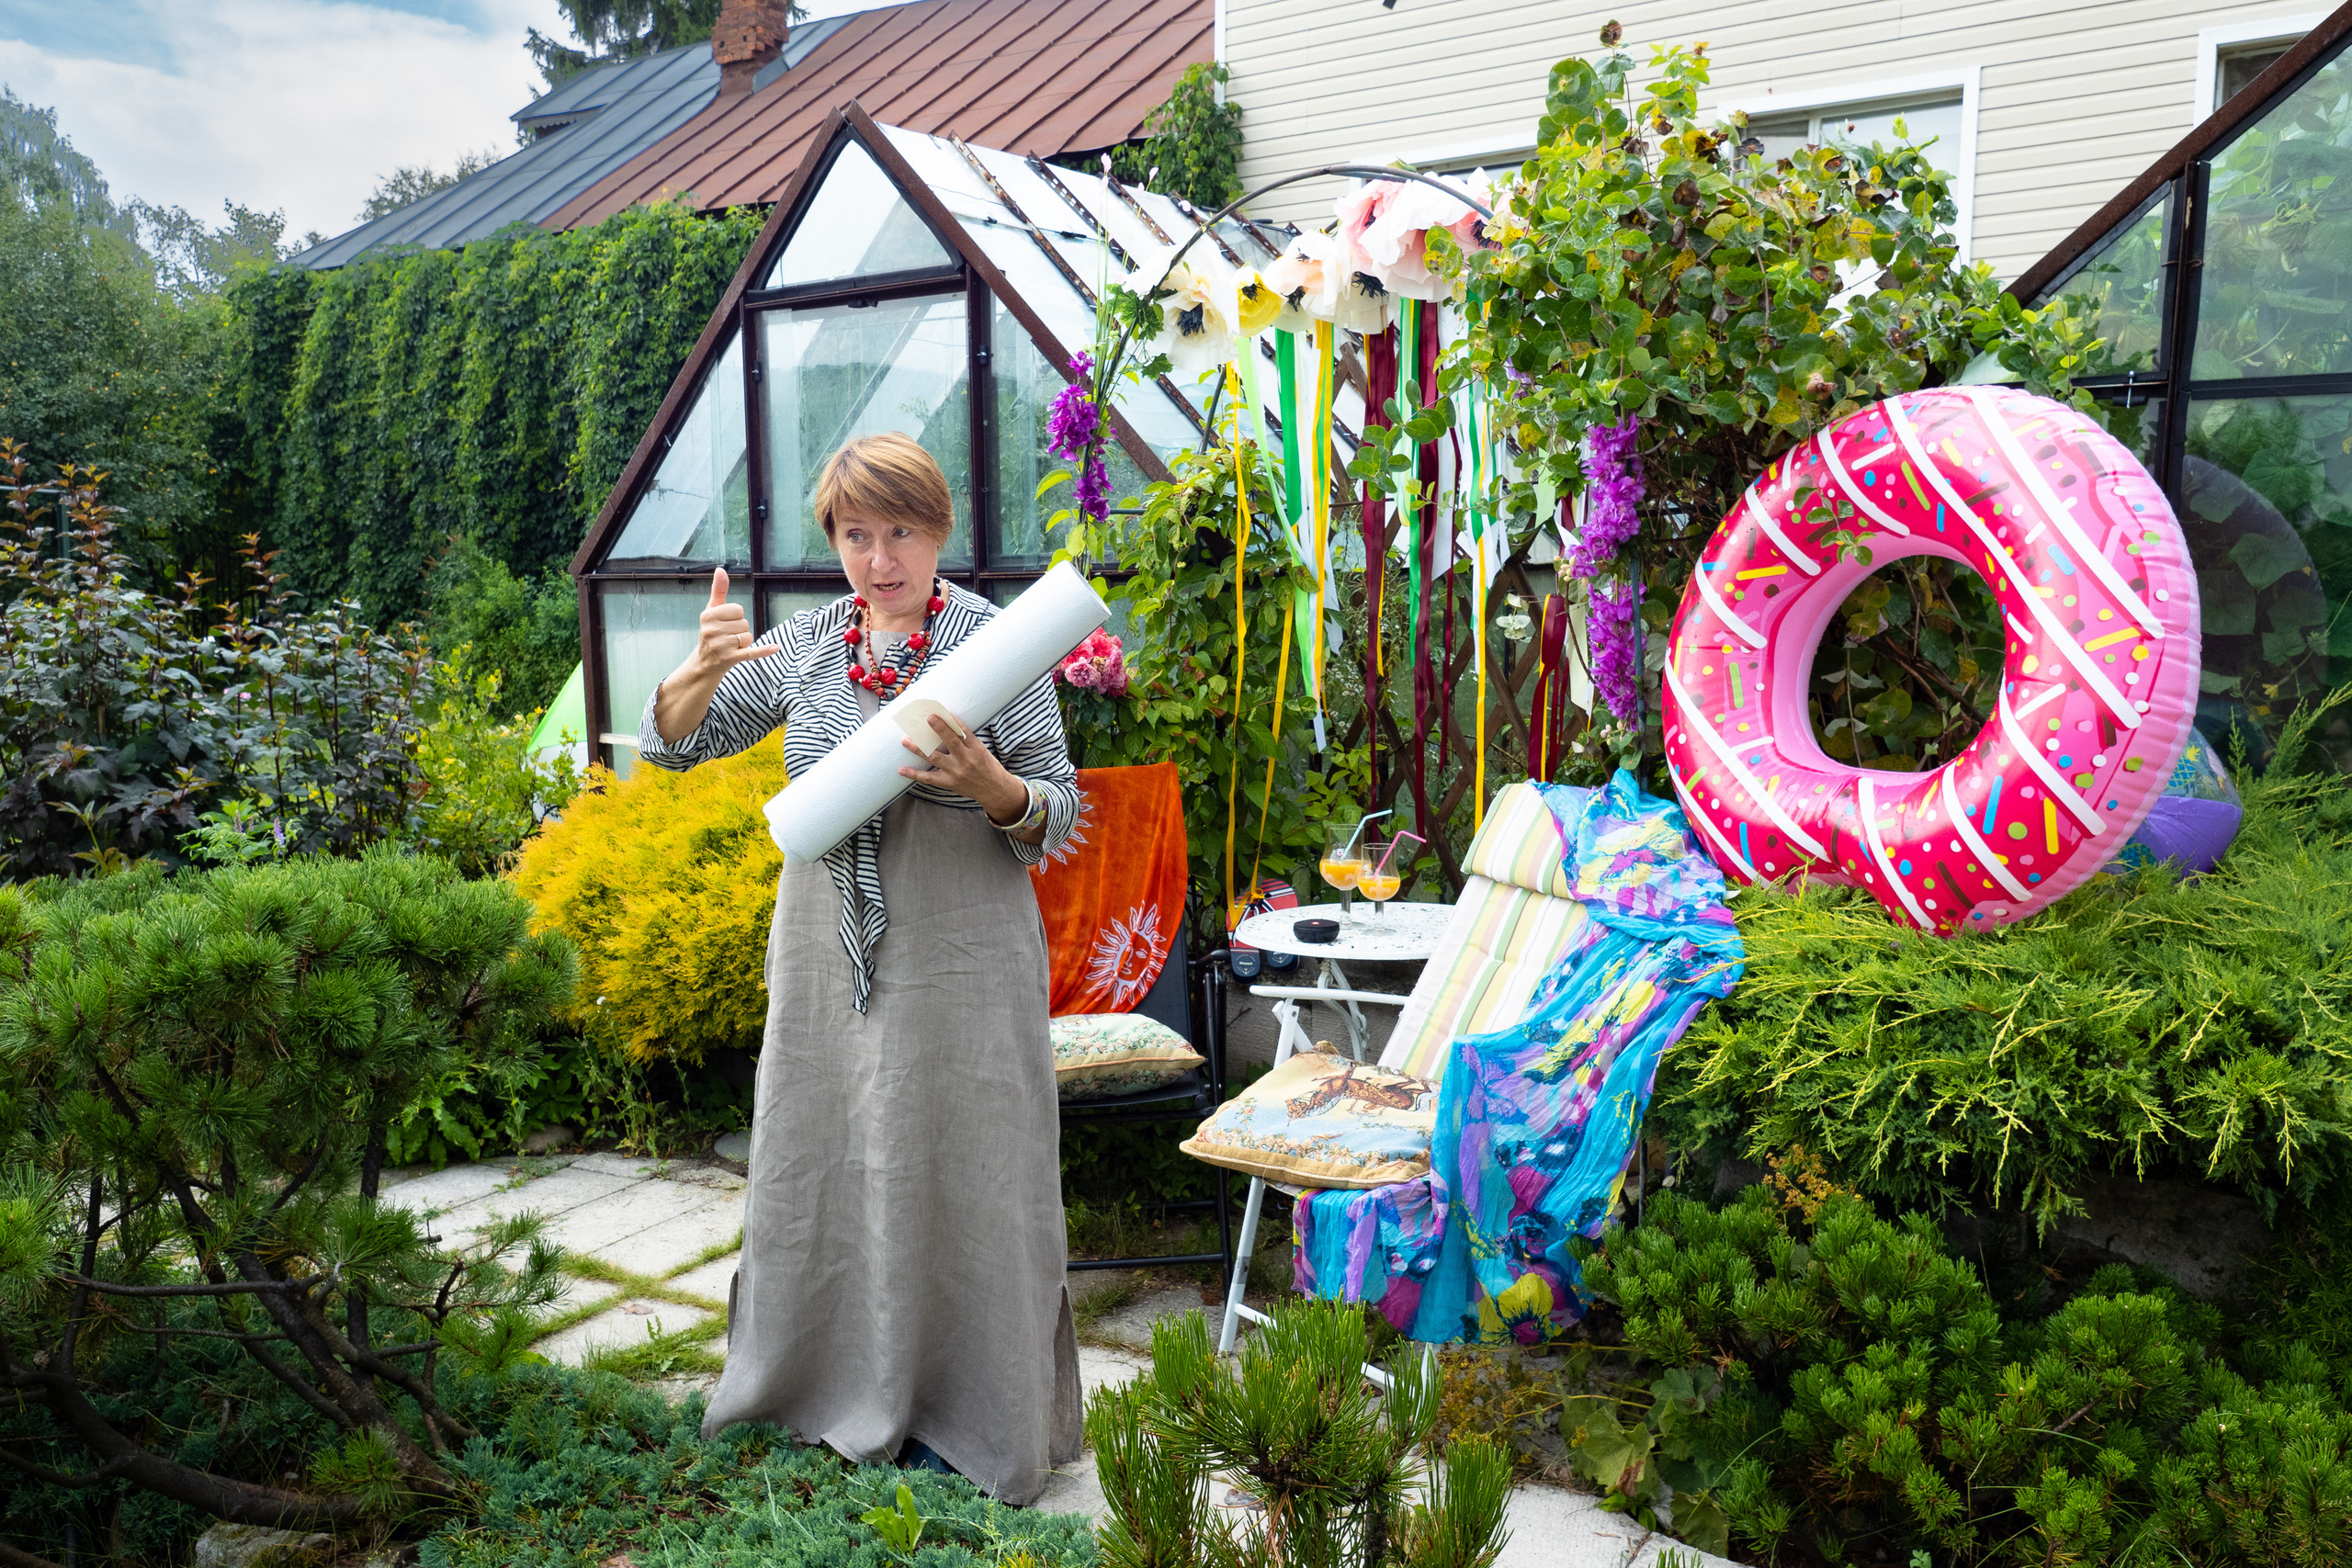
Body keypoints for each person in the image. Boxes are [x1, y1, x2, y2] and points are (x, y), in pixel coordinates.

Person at [638, 432, 1081, 1504]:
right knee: (824, 1153)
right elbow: (677, 744)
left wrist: (986, 783)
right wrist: (695, 674)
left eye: (901, 533)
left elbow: (1058, 810)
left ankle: (970, 1413)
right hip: (824, 944)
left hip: (964, 945)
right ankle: (820, 1383)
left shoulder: (995, 645)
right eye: (855, 536)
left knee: (971, 1162)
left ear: (939, 532)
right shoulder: (809, 642)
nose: (879, 560)